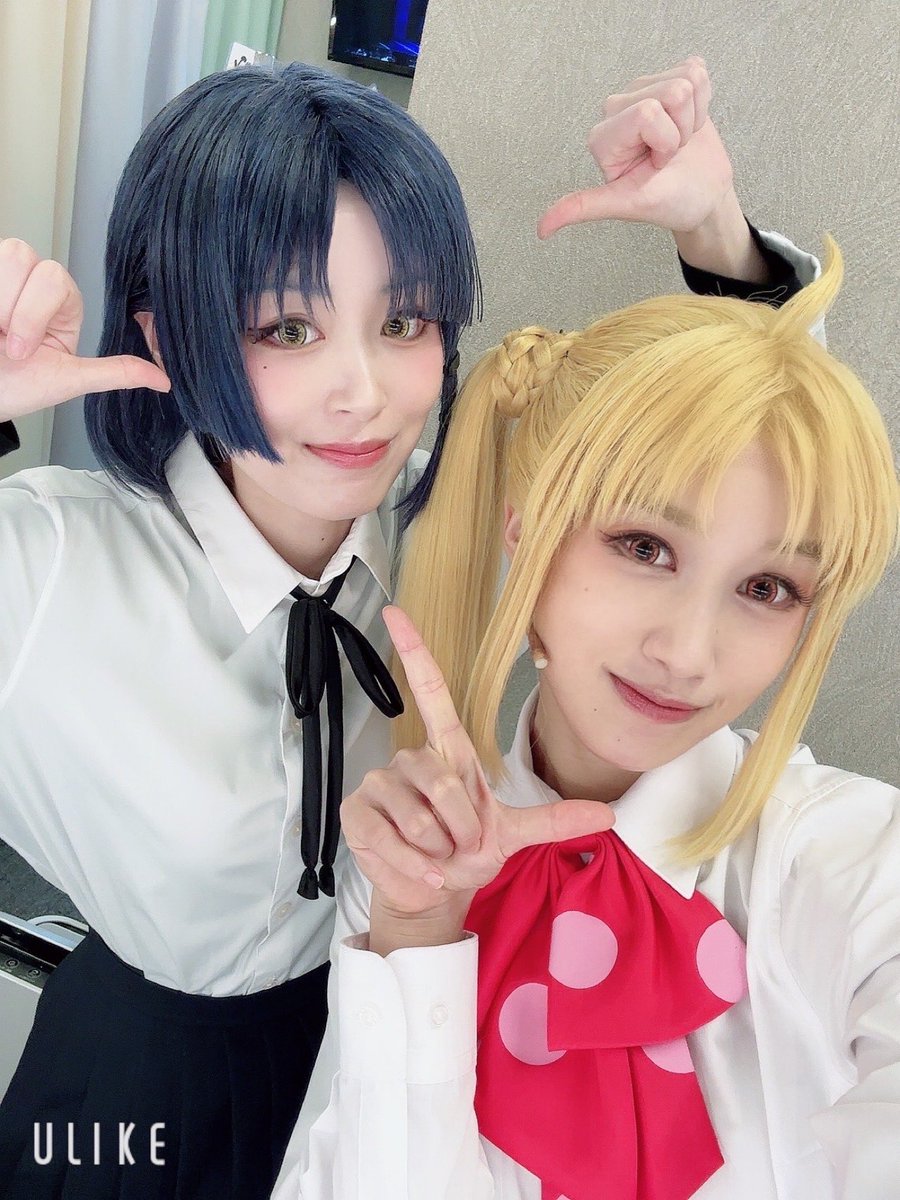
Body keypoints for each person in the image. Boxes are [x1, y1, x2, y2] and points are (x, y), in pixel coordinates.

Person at [0, 57, 813, 1199]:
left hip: (390, 1034)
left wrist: (718, 241)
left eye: (403, 321)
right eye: (286, 327)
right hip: (143, 1085)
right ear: (167, 335)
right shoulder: (46, 566)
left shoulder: (441, 517)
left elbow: (737, 480)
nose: (365, 392)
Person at [280, 242, 899, 1199]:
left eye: (768, 587)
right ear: (525, 530)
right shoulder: (414, 868)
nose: (688, 653)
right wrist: (419, 933)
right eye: (644, 547)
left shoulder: (854, 865)